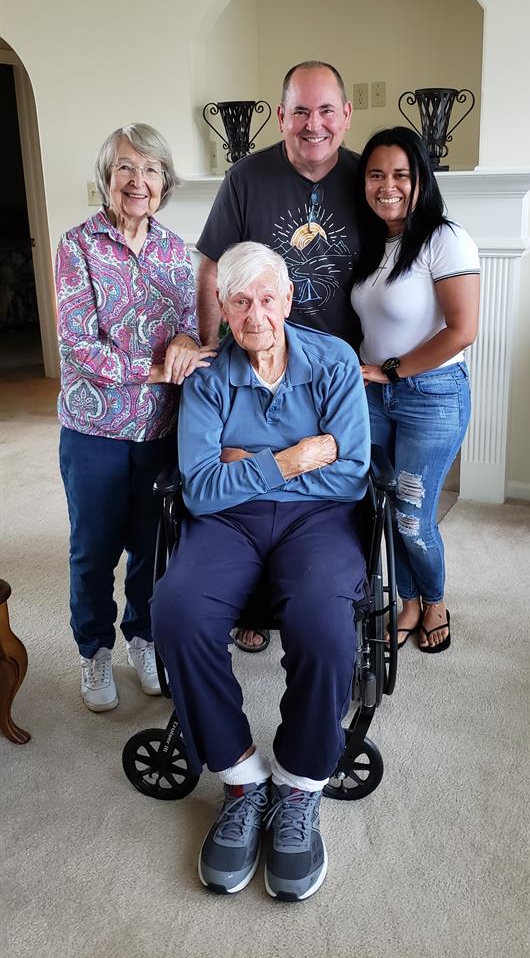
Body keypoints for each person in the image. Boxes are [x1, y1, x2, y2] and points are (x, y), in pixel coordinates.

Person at [151, 242, 370, 901]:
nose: (255, 314)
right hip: (229, 523)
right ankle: (241, 778)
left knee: (324, 622)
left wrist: (241, 460)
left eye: (266, 298)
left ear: (287, 301)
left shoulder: (331, 361)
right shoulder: (211, 376)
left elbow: (353, 469)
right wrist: (292, 458)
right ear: (221, 306)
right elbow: (200, 489)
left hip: (319, 522)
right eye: (239, 300)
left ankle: (301, 785)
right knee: (177, 608)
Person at [197, 60, 361, 650]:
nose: (311, 124)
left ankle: (327, 603)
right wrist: (213, 351)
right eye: (298, 111)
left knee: (343, 494)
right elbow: (214, 267)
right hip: (252, 361)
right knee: (247, 486)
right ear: (280, 115)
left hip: (338, 372)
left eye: (324, 110)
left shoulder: (366, 176)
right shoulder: (247, 176)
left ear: (345, 115)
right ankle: (249, 600)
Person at [56, 123, 214, 712]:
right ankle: (92, 651)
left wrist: (182, 341)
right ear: (107, 176)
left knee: (154, 548)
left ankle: (143, 638)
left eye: (149, 169)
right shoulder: (78, 246)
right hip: (93, 431)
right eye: (125, 167)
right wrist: (154, 371)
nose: (137, 181)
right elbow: (77, 346)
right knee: (93, 550)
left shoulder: (178, 253)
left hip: (159, 432)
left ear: (165, 180)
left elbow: (195, 336)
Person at [351, 127, 480, 653]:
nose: (388, 186)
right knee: (382, 507)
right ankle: (406, 601)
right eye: (376, 174)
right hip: (376, 398)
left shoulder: (445, 238)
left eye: (401, 174)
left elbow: (462, 330)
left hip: (432, 394)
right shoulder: (374, 243)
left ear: (421, 179)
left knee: (412, 514)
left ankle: (434, 600)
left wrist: (393, 370)